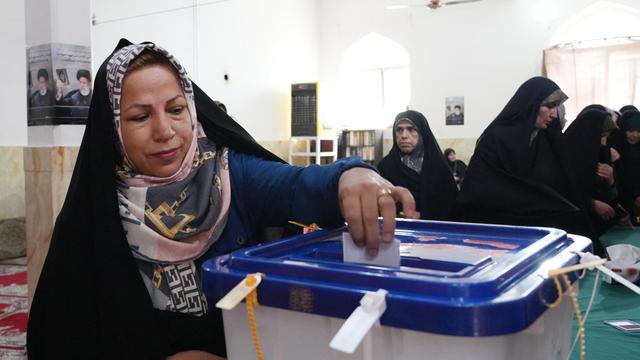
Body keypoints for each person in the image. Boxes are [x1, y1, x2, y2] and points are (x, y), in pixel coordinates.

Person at [27, 40, 417, 359]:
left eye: (176, 109)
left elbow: (300, 184)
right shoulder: (97, 212)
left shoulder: (230, 176)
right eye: (140, 117)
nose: (165, 131)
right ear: (113, 129)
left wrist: (353, 175)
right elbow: (67, 336)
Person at [457, 77, 591, 236]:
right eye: (549, 106)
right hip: (499, 227)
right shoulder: (497, 138)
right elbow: (479, 189)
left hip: (543, 228)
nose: (554, 115)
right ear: (531, 105)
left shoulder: (548, 140)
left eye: (556, 107)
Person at [378, 110, 458, 220]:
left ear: (422, 133)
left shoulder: (438, 167)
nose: (404, 136)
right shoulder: (385, 166)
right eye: (399, 130)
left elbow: (452, 207)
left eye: (411, 129)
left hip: (434, 230)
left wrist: (424, 216)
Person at [564, 106, 623, 253]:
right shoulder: (564, 157)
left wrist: (611, 180)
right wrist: (591, 203)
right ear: (588, 133)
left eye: (606, 137)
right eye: (601, 135)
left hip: (601, 231)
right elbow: (561, 193)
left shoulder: (601, 155)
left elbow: (612, 199)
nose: (604, 142)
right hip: (574, 233)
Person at [610, 109, 640, 225]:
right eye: (631, 130)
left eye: (639, 131)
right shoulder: (614, 146)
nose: (635, 135)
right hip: (621, 200)